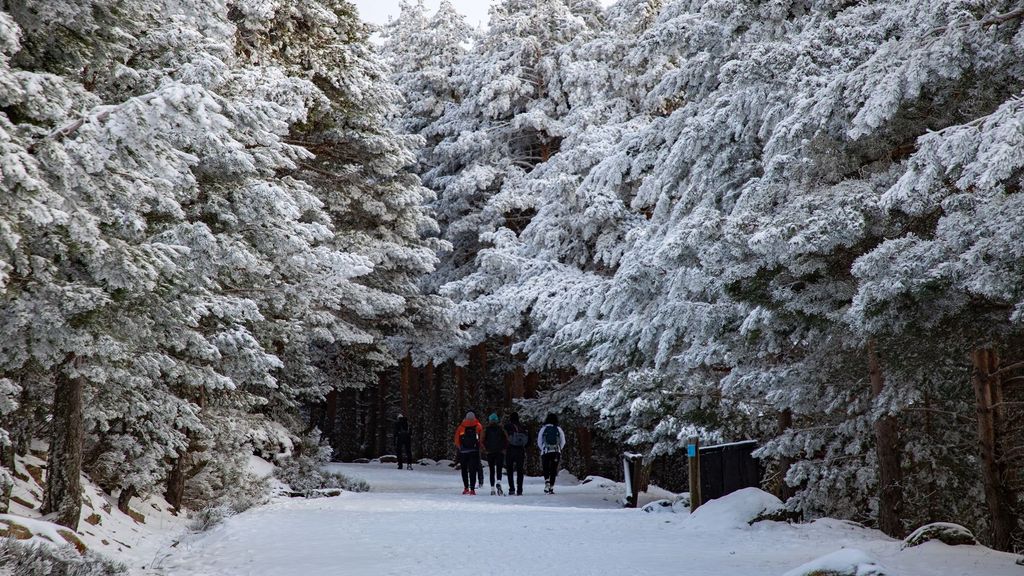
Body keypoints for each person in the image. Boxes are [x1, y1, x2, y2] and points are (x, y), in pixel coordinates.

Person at [453, 412, 484, 495]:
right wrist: (479, 447)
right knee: (472, 470)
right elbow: (481, 438)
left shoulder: (461, 427)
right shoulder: (478, 426)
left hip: (463, 452)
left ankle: (466, 488)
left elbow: (456, 439)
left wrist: (460, 448)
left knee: (464, 470)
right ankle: (472, 489)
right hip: (474, 451)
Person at [537, 413, 566, 494]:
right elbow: (563, 441)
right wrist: (559, 448)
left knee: (546, 468)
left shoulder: (543, 429)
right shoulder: (558, 429)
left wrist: (542, 449)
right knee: (553, 469)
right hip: (556, 452)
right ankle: (551, 487)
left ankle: (547, 481)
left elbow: (539, 441)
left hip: (545, 451)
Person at [483, 413, 508, 495]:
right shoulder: (501, 429)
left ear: (489, 420)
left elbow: (482, 440)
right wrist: (504, 449)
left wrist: (485, 449)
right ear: (497, 420)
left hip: (490, 452)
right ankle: (499, 482)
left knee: (491, 470)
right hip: (500, 451)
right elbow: (507, 439)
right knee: (499, 469)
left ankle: (492, 489)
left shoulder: (486, 429)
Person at [504, 412, 528, 496]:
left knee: (510, 470)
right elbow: (528, 440)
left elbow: (504, 438)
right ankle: (520, 489)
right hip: (520, 450)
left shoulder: (507, 426)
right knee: (520, 470)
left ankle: (511, 489)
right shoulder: (523, 427)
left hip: (510, 450)